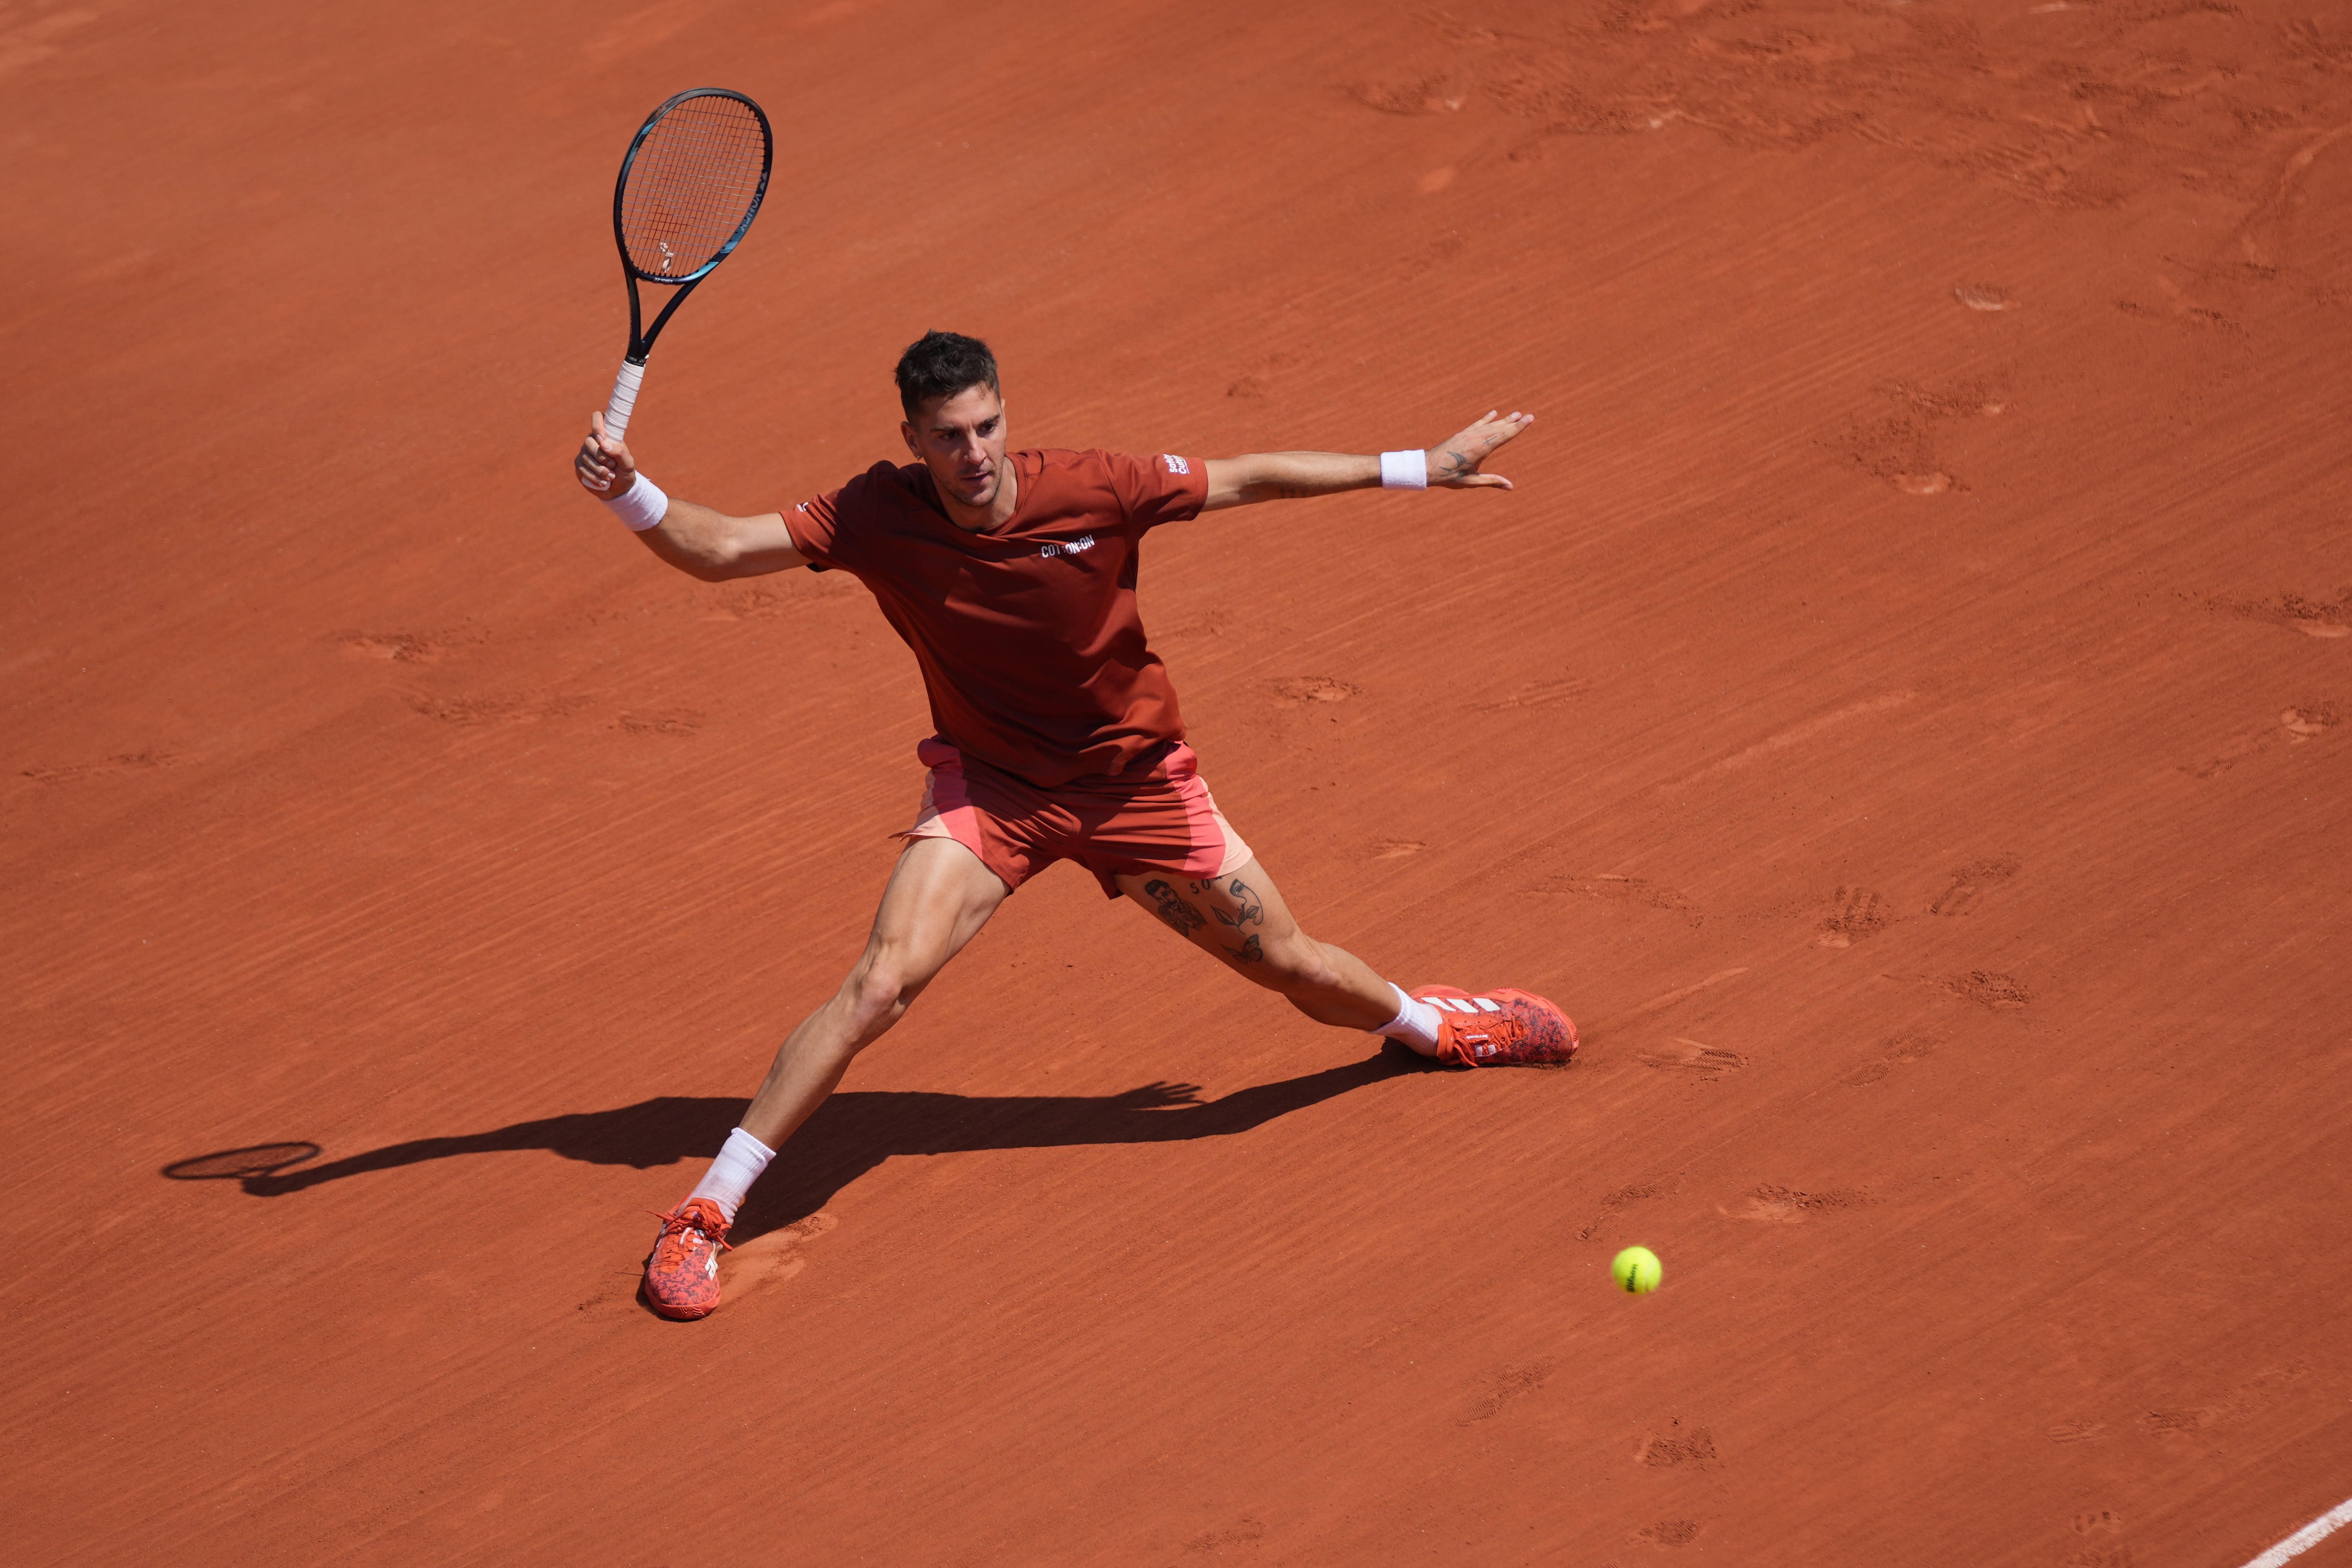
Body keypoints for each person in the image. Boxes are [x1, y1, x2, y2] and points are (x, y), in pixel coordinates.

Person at [572, 330, 1576, 1320]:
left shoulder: (1096, 488)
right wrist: (627, 488)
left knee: (1296, 968)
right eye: (948, 436)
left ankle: (1439, 1027)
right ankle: (708, 1209)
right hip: (995, 790)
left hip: (1134, 788)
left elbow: (1252, 479)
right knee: (879, 984)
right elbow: (720, 548)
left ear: (1006, 414)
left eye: (987, 426)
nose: (974, 454)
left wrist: (1418, 467)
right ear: (914, 440)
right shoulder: (877, 513)